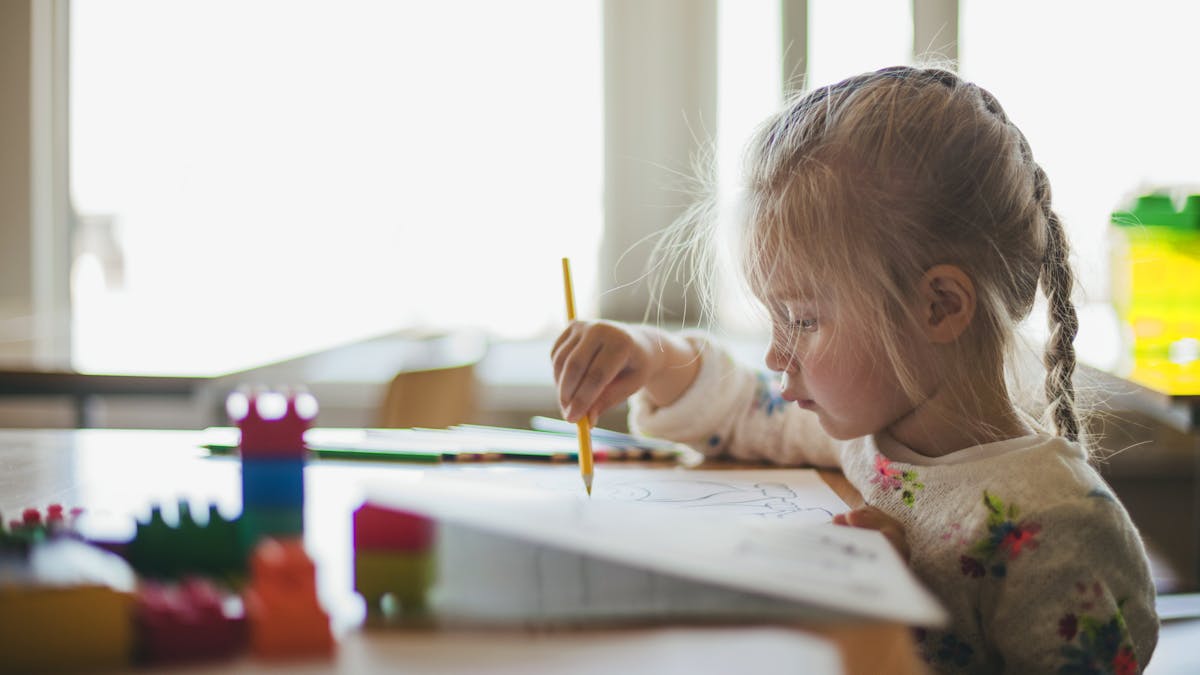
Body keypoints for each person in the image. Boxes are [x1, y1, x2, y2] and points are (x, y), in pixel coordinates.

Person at [552, 66, 1158, 673]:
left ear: (940, 307)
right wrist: (649, 355)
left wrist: (885, 605)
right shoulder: (869, 434)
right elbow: (738, 410)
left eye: (804, 320)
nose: (775, 356)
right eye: (775, 317)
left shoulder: (1057, 527)